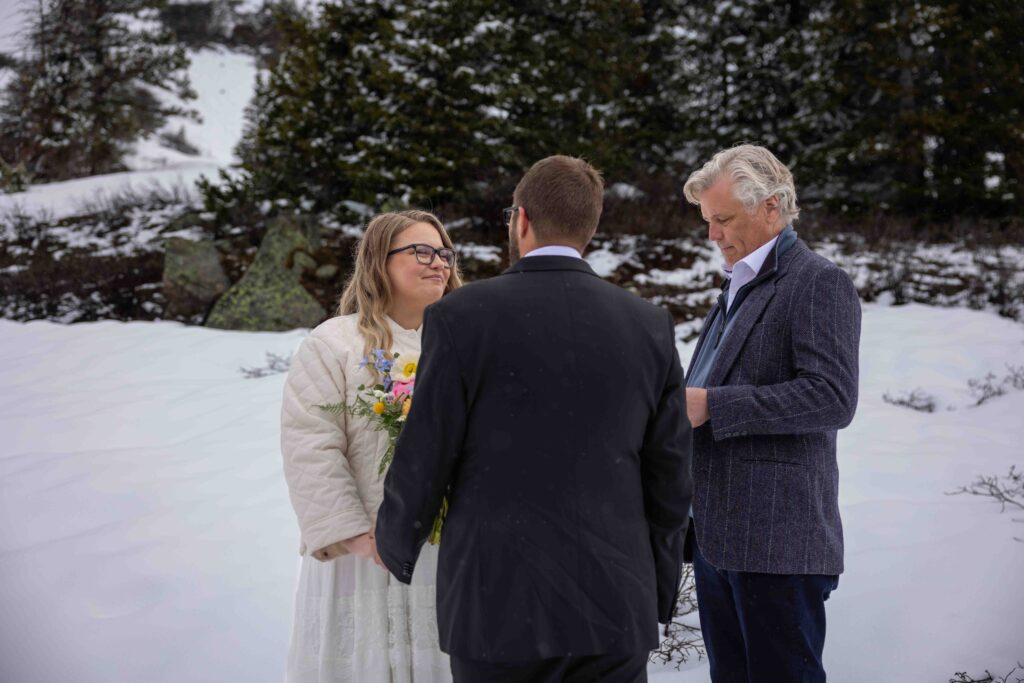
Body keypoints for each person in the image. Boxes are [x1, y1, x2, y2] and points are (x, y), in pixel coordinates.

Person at [375, 155, 693, 683]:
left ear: (520, 219)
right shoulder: (647, 324)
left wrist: (396, 542)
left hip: (494, 604)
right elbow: (671, 475)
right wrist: (654, 587)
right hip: (613, 603)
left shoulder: (460, 316)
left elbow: (427, 450)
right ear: (590, 229)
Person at [681, 144, 861, 682]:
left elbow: (831, 396)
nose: (713, 234)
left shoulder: (817, 281)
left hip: (778, 545)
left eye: (723, 219)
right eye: (708, 221)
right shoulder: (736, 282)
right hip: (719, 539)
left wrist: (711, 404)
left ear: (773, 208)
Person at [280, 210, 463, 683]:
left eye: (443, 252)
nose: (438, 262)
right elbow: (312, 445)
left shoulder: (468, 342)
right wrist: (354, 536)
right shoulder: (334, 344)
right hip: (365, 554)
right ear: (379, 261)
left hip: (450, 554)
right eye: (421, 251)